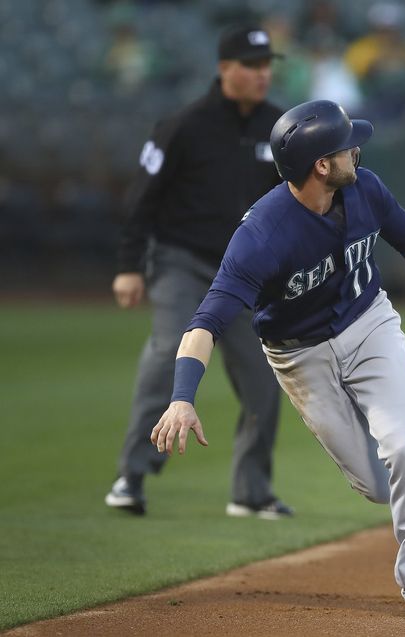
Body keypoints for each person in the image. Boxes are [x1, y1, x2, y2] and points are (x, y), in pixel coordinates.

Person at [149, 99, 405, 621]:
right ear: (321, 165)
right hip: (300, 356)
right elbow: (205, 323)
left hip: (371, 326)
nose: (356, 148)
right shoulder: (261, 237)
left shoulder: (364, 187)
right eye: (346, 144)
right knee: (374, 485)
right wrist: (182, 398)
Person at [106, 25, 292, 520]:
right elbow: (141, 197)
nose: (262, 74)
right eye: (251, 65)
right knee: (171, 350)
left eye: (266, 64)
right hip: (181, 262)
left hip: (243, 276)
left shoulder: (280, 129)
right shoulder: (184, 124)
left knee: (263, 375)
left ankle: (250, 492)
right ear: (224, 68)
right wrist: (129, 266)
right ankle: (133, 475)